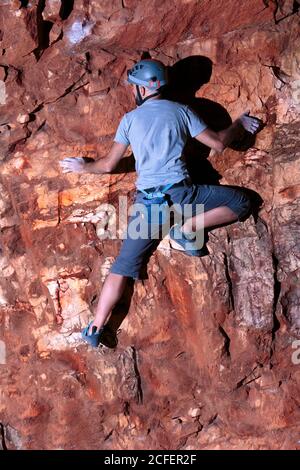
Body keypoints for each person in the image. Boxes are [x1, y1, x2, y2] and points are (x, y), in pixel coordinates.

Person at [59, 59, 260, 347]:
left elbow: (107, 166)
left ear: (141, 89)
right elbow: (217, 143)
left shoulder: (129, 119)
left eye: (133, 87)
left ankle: (95, 326)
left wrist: (83, 167)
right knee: (242, 201)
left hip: (147, 205)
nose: (132, 92)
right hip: (183, 196)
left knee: (122, 267)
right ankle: (187, 229)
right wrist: (238, 124)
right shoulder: (181, 111)